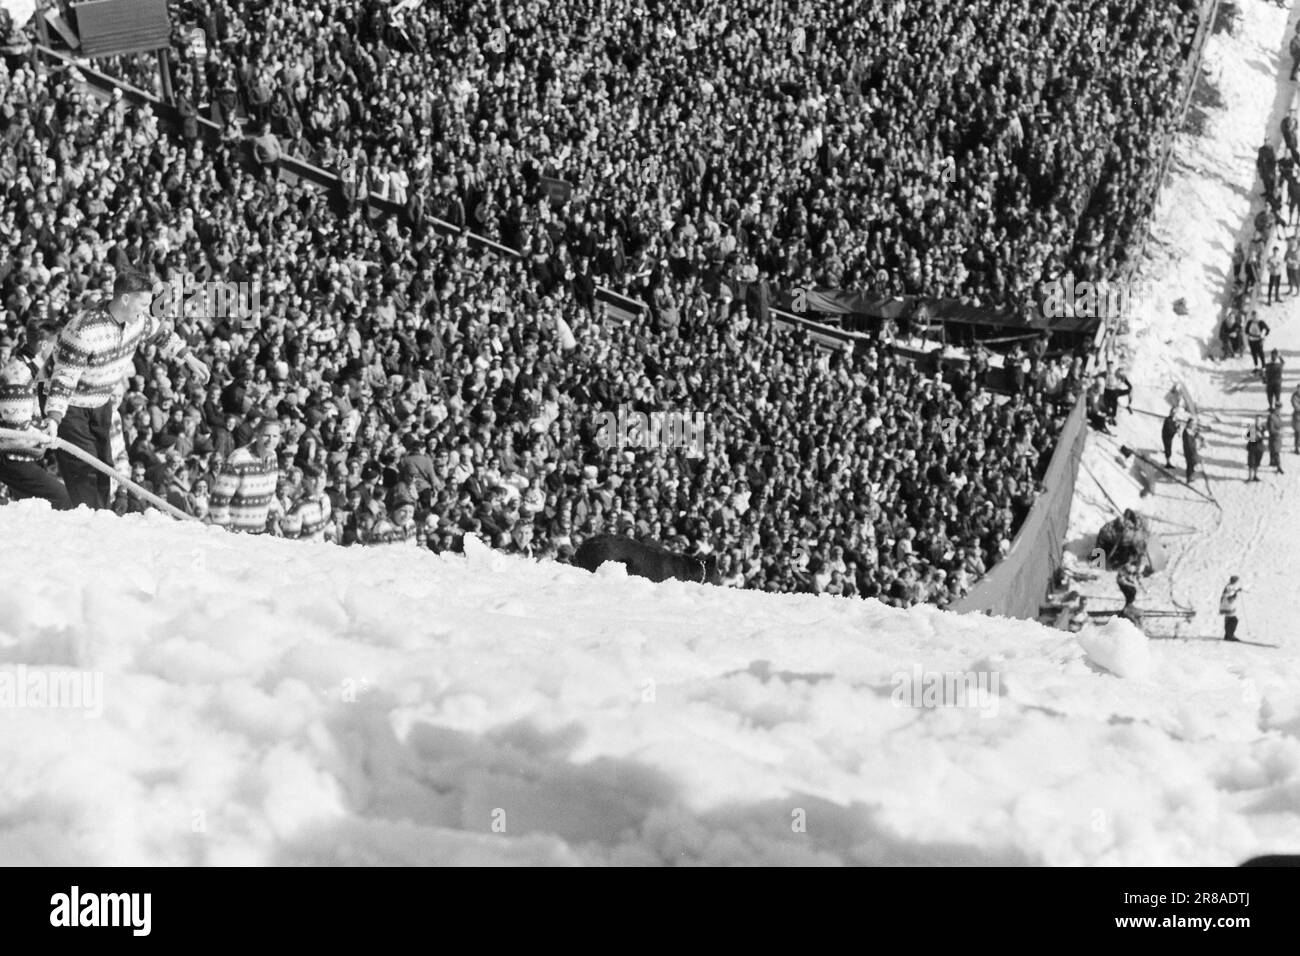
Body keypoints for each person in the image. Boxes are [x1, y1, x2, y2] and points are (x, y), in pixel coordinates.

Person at [42, 269, 209, 509]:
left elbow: (161, 333)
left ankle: (100, 512)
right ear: (126, 298)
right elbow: (64, 377)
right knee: (85, 469)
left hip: (100, 399)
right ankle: (89, 519)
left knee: (105, 466)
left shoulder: (137, 321)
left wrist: (190, 358)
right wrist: (53, 418)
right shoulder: (84, 330)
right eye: (143, 303)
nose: (146, 310)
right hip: (69, 404)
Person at [0, 318, 71, 509]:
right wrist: (45, 435)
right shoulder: (18, 374)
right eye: (57, 345)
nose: (59, 351)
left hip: (25, 457)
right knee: (62, 499)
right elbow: (17, 430)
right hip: (12, 460)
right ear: (44, 344)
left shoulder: (31, 368)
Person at [208, 417, 283, 534]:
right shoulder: (238, 459)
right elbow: (218, 501)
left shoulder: (273, 456)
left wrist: (273, 521)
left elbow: (270, 493)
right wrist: (225, 532)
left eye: (275, 436)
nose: (270, 440)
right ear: (257, 434)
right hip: (237, 534)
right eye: (266, 435)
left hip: (260, 532)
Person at [1219, 576, 1245, 642]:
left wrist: (1236, 591)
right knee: (1234, 620)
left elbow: (1231, 593)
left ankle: (1228, 635)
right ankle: (1230, 635)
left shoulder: (1229, 586)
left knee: (1230, 619)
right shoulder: (1229, 587)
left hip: (1227, 604)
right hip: (1227, 605)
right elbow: (1229, 594)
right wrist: (1236, 591)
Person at [1246, 416, 1265, 482]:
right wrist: (1254, 435)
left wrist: (1261, 436)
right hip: (1252, 448)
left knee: (1257, 463)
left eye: (1259, 420)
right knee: (1251, 463)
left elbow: (1267, 436)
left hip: (1260, 448)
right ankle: (1250, 477)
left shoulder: (1263, 428)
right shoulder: (1251, 427)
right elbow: (1248, 438)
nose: (1258, 421)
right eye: (1257, 420)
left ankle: (1255, 476)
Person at [1268, 405, 1285, 473]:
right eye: (1279, 409)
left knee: (1273, 450)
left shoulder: (1278, 416)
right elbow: (1271, 428)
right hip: (1274, 436)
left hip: (1278, 437)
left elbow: (1280, 424)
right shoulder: (1272, 417)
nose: (1280, 411)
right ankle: (1279, 466)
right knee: (1276, 451)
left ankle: (1272, 461)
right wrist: (1278, 431)